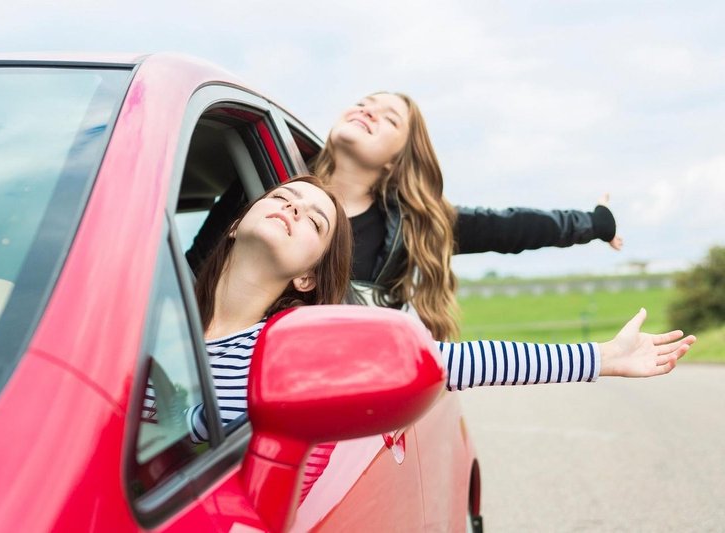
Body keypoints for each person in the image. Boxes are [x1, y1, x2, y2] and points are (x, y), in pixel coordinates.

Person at [183, 176, 695, 444]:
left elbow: (448, 362)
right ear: (232, 225)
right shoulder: (141, 312)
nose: (294, 206)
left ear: (308, 276)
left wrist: (600, 357)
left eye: (316, 222)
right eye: (283, 196)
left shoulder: (293, 348)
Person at [311, 93, 622, 339]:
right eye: (362, 103)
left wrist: (593, 224)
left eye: (389, 118)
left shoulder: (412, 226)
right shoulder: (276, 192)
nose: (367, 111)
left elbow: (509, 227)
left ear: (396, 161)